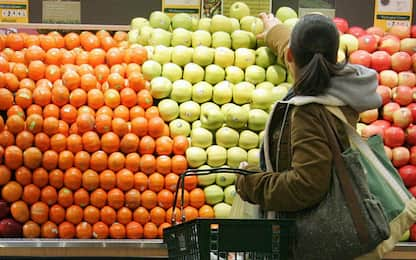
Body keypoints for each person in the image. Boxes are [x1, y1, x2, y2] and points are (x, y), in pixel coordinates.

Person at [235, 13, 382, 259]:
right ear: (335, 55)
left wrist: (250, 183)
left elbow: (306, 185)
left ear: (292, 56)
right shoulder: (343, 85)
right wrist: (275, 30)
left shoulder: (308, 112)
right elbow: (300, 55)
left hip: (311, 244)